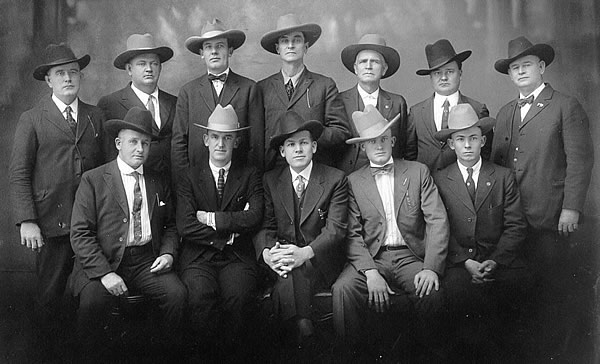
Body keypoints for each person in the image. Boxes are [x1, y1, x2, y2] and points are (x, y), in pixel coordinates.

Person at [491, 36, 594, 357]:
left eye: (526, 65)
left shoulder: (565, 105)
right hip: (514, 220)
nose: (520, 72)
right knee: (520, 296)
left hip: (551, 217)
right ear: (510, 76)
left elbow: (580, 160)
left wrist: (572, 208)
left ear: (541, 67)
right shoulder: (506, 111)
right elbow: (497, 165)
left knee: (554, 293)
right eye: (514, 68)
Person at [8, 43, 106, 357]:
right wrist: (28, 220)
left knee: (89, 298)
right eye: (60, 73)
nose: (68, 78)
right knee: (49, 298)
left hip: (91, 226)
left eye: (73, 72)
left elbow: (106, 170)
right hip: (51, 224)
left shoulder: (95, 116)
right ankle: (43, 356)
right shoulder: (33, 118)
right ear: (48, 80)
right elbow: (19, 171)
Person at [332, 105, 449, 359]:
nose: (379, 145)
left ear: (393, 140)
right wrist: (370, 272)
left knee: (433, 292)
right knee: (344, 289)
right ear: (363, 147)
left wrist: (431, 267)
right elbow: (351, 233)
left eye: (384, 139)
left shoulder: (418, 172)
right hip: (373, 257)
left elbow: (437, 220)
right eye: (372, 141)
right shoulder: (352, 181)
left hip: (411, 256)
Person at [70, 107, 186, 357]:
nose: (140, 149)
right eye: (133, 142)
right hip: (105, 262)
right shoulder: (94, 179)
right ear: (118, 143)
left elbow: (171, 226)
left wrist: (168, 254)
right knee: (92, 303)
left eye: (145, 143)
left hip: (146, 261)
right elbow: (80, 233)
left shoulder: (158, 180)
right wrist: (104, 274)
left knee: (177, 295)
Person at [432, 104, 530, 361]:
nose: (467, 145)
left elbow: (515, 225)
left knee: (520, 288)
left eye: (473, 138)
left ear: (483, 141)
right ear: (451, 144)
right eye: (460, 139)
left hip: (497, 259)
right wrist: (465, 262)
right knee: (455, 298)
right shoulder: (440, 179)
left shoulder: (502, 176)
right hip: (459, 263)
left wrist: (494, 261)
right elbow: (437, 228)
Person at [253, 110, 348, 352]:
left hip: (318, 260)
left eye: (304, 143)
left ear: (314, 147)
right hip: (282, 260)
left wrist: (304, 253)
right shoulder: (271, 180)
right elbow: (266, 226)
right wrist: (268, 254)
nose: (298, 149)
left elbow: (335, 230)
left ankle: (298, 337)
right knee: (288, 273)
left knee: (291, 277)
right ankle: (305, 332)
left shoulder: (335, 179)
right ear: (282, 151)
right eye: (291, 144)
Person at [176, 105, 263, 356]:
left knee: (238, 298)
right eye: (215, 137)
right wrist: (228, 233)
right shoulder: (189, 177)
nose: (221, 144)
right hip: (198, 257)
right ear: (206, 140)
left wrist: (212, 219)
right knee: (201, 297)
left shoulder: (249, 175)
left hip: (238, 258)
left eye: (227, 138)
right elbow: (186, 225)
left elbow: (255, 217)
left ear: (236, 142)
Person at [172, 19, 264, 180]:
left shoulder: (249, 88)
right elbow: (179, 142)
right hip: (197, 183)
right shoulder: (188, 91)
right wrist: (185, 183)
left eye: (220, 46)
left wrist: (249, 183)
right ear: (202, 53)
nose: (214, 51)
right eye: (208, 47)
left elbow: (255, 144)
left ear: (230, 50)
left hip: (238, 181)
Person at [259, 13, 350, 170]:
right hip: (272, 172)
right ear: (277, 49)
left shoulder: (324, 85)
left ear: (306, 47)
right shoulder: (262, 88)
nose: (291, 45)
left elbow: (341, 131)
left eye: (297, 40)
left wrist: (308, 137)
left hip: (314, 170)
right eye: (284, 41)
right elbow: (256, 136)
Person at [98, 33, 176, 178]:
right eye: (142, 64)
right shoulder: (110, 104)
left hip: (171, 185)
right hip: (132, 183)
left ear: (160, 67)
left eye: (154, 63)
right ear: (129, 69)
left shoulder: (175, 103)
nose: (149, 69)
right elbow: (107, 153)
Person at [407, 39, 491, 172]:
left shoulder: (476, 109)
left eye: (449, 71)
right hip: (426, 186)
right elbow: (409, 156)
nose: (444, 77)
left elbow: (486, 155)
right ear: (431, 78)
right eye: (437, 73)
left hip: (463, 187)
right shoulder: (416, 112)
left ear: (460, 74)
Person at [337, 33, 408, 175]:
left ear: (384, 68)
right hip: (347, 177)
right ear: (356, 68)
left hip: (388, 175)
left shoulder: (397, 102)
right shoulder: (339, 101)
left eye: (374, 62)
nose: (368, 66)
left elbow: (402, 146)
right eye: (363, 62)